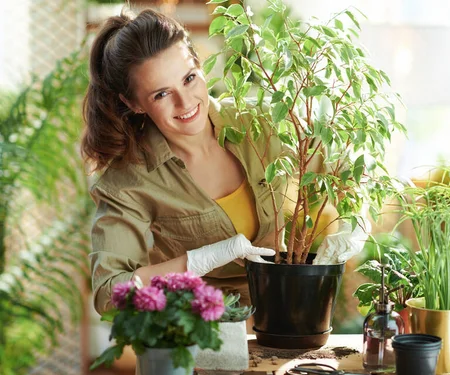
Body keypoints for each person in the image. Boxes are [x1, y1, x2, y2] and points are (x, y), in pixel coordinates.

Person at [81, 9, 369, 315]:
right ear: (134, 103)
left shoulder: (260, 125)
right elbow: (110, 294)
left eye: (190, 78)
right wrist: (197, 261)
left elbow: (344, 172)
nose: (186, 102)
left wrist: (357, 224)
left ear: (201, 65)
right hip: (197, 338)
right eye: (162, 94)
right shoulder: (128, 180)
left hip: (284, 322)